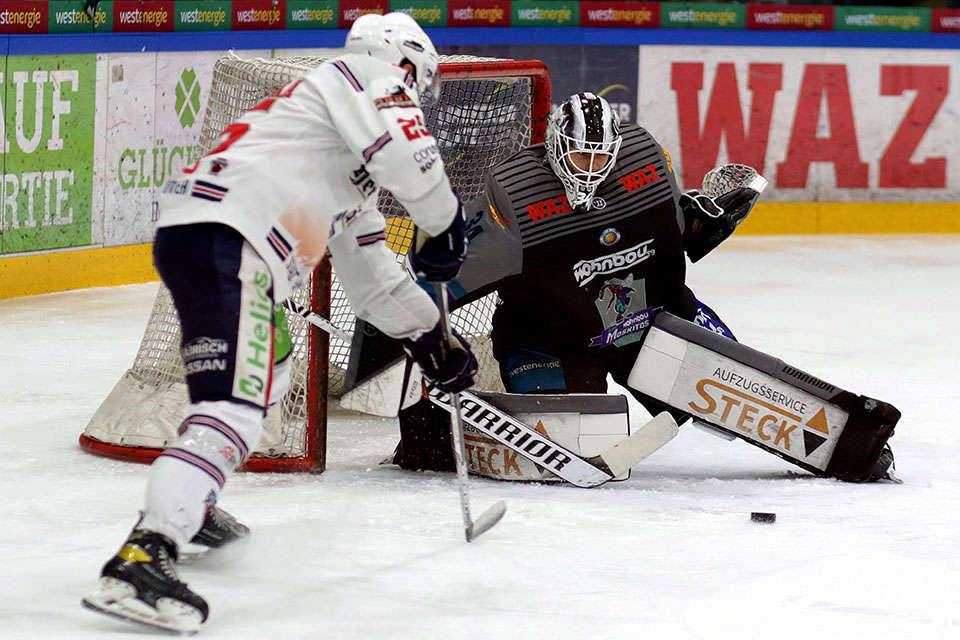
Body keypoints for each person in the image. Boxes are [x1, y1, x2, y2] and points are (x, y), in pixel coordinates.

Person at [81, 13, 477, 633]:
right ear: (407, 66)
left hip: (216, 240)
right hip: (230, 241)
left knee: (270, 372)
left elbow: (374, 282)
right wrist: (445, 221)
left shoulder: (338, 156)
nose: (419, 102)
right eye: (419, 87)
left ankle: (190, 499)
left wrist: (433, 338)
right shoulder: (368, 74)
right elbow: (410, 155)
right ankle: (144, 554)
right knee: (239, 401)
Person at [386, 92, 896, 483]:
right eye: (579, 157)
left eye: (599, 157)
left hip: (653, 323)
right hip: (551, 342)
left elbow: (677, 231)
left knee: (736, 402)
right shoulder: (516, 197)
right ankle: (432, 439)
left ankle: (861, 446)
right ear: (555, 147)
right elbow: (438, 277)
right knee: (566, 445)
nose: (590, 168)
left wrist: (705, 221)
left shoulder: (646, 160)